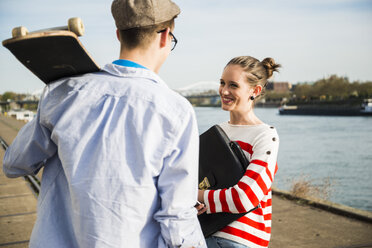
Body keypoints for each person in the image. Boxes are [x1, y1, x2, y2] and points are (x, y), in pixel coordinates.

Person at [3, 0, 206, 247]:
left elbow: (14, 165)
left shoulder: (64, 92)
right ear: (165, 37)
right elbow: (177, 216)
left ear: (119, 35)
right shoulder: (175, 111)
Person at [197, 56, 281, 248]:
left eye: (233, 85)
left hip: (239, 242)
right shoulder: (216, 133)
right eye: (222, 83)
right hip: (203, 236)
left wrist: (197, 195)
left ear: (255, 91)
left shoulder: (265, 136)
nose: (224, 91)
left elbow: (245, 197)